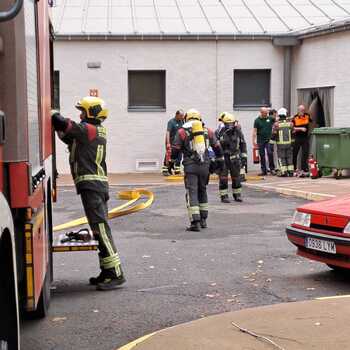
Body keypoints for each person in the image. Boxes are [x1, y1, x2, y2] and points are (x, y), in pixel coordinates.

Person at [51, 97, 125, 291]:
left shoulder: (88, 130)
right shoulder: (88, 132)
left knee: (101, 229)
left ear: (92, 112)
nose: (80, 115)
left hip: (92, 186)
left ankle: (116, 273)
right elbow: (65, 133)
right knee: (97, 229)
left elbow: (64, 124)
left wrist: (49, 113)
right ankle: (107, 270)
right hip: (92, 186)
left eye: (82, 112)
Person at [171, 109, 224, 232]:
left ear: (186, 119)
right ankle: (204, 220)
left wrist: (171, 164)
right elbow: (217, 147)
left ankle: (195, 222)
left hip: (190, 167)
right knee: (203, 190)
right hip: (205, 166)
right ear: (199, 119)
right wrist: (220, 162)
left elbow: (175, 149)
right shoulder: (208, 131)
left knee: (192, 192)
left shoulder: (182, 132)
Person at [216, 113, 247, 203]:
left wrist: (244, 156)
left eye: (232, 124)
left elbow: (243, 143)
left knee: (236, 177)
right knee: (223, 178)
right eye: (228, 124)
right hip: (224, 158)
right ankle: (224, 196)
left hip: (234, 158)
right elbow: (215, 145)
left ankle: (237, 195)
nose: (230, 126)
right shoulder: (220, 131)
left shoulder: (238, 131)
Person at [252, 107, 276, 176]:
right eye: (265, 113)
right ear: (261, 113)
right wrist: (253, 141)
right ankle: (264, 171)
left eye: (267, 113)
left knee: (270, 153)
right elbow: (254, 131)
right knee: (262, 155)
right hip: (260, 141)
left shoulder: (270, 118)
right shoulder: (257, 120)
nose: (266, 114)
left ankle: (272, 169)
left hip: (268, 140)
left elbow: (277, 120)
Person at [272, 108, 294, 177]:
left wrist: (271, 143)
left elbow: (274, 134)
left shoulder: (277, 124)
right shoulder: (290, 124)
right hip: (289, 144)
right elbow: (293, 133)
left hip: (280, 144)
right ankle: (290, 172)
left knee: (282, 158)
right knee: (289, 157)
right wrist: (292, 143)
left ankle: (283, 172)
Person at [162, 110, 184, 176]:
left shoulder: (182, 121)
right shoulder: (171, 122)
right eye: (181, 116)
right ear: (176, 115)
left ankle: (176, 171)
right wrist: (168, 143)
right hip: (171, 142)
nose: (182, 117)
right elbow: (168, 132)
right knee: (169, 156)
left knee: (179, 157)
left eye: (182, 116)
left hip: (179, 143)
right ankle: (166, 170)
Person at [292, 105, 312, 176]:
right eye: (301, 110)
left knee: (305, 153)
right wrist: (300, 129)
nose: (302, 112)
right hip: (297, 138)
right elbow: (292, 128)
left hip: (305, 138)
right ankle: (294, 168)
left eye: (303, 110)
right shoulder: (295, 118)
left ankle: (304, 168)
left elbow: (312, 123)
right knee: (295, 153)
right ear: (298, 110)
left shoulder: (307, 116)